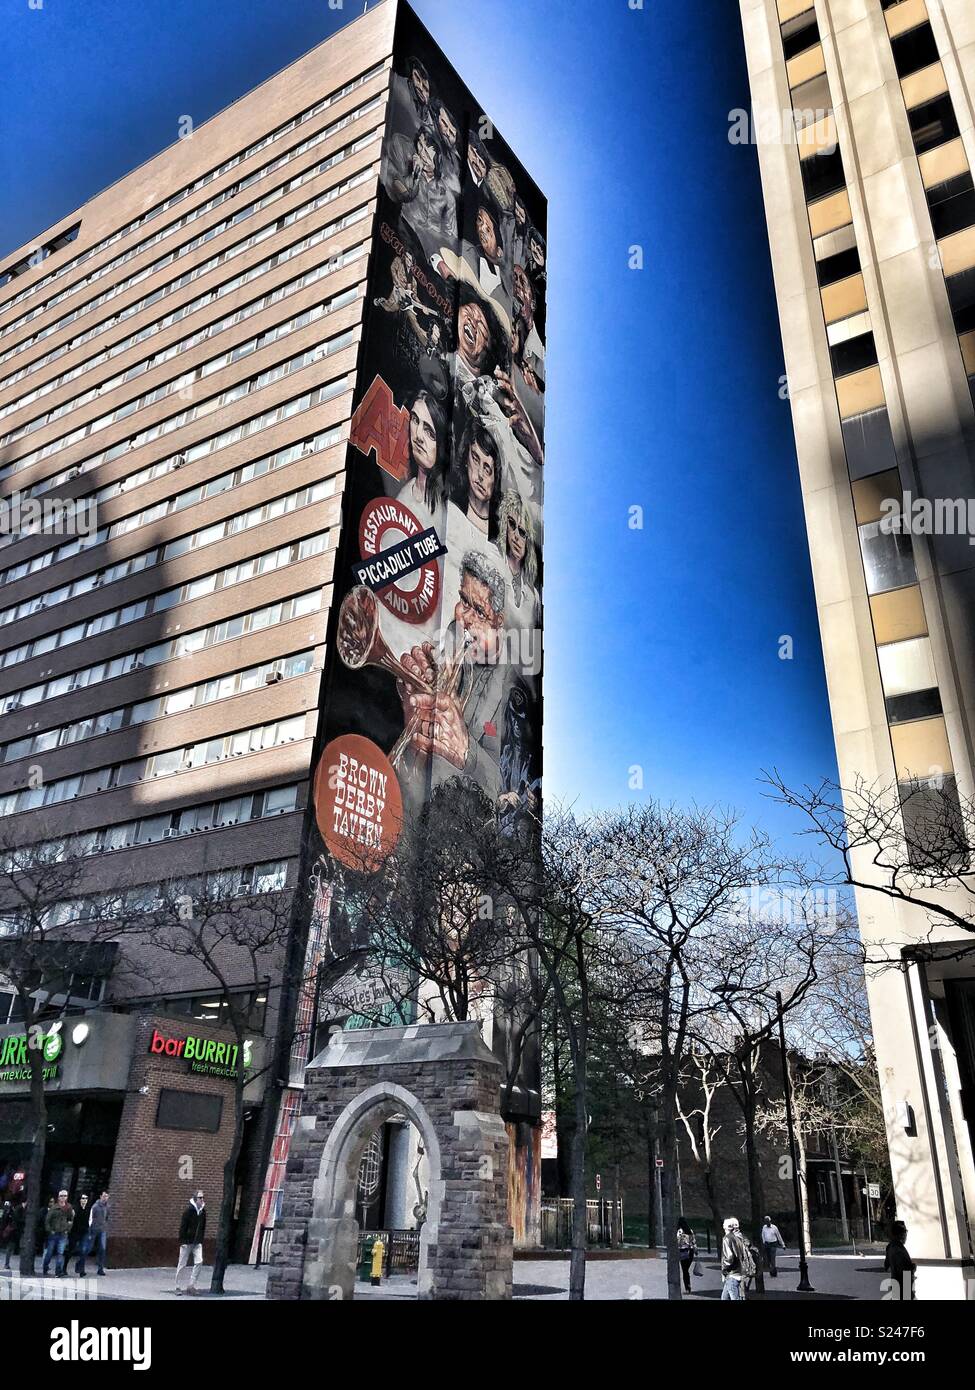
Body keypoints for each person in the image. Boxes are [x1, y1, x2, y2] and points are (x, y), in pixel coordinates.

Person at [175, 1189, 206, 1296]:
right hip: (187, 1242)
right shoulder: (188, 1211)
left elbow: (203, 1227)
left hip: (197, 1242)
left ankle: (191, 1285)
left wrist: (201, 1239)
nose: (202, 1200)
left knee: (199, 1261)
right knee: (182, 1264)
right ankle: (177, 1286)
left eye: (203, 1198)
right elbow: (183, 1227)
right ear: (195, 1199)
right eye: (200, 1198)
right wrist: (182, 1241)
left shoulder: (202, 1212)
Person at [720, 1216, 754, 1301]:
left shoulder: (727, 1238)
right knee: (724, 1298)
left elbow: (730, 1257)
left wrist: (724, 1268)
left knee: (734, 1297)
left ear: (725, 1227)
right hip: (739, 1272)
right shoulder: (738, 1238)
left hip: (732, 1274)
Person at [42, 1189, 74, 1277]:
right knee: (49, 1252)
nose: (63, 1198)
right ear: (58, 1197)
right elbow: (47, 1220)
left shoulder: (69, 1207)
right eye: (61, 1196)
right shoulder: (54, 1208)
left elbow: (70, 1219)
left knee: (60, 1253)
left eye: (65, 1196)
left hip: (63, 1233)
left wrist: (68, 1229)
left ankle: (58, 1271)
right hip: (54, 1233)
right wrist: (50, 1230)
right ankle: (45, 1267)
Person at [884, 1220, 916, 1300]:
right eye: (905, 1232)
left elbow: (886, 1266)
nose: (906, 1235)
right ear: (901, 1234)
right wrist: (912, 1268)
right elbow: (905, 1273)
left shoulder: (890, 1247)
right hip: (903, 1292)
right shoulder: (899, 1250)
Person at [85, 1190, 110, 1276]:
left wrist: (105, 1226)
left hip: (102, 1230)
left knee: (102, 1249)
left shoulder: (107, 1207)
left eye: (106, 1196)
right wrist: (90, 1230)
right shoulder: (95, 1207)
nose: (105, 1198)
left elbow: (106, 1217)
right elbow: (90, 1219)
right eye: (104, 1196)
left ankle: (100, 1269)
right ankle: (81, 1265)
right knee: (89, 1248)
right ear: (100, 1196)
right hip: (94, 1230)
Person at [70, 1193, 90, 1274]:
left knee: (83, 1250)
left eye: (86, 1198)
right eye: (83, 1198)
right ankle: (64, 1267)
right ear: (79, 1199)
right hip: (75, 1232)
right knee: (71, 1250)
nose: (85, 1200)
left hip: (84, 1232)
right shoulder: (75, 1209)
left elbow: (88, 1220)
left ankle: (81, 1269)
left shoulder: (88, 1209)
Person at [677, 1219, 699, 1295]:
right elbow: (694, 1241)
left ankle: (687, 1287)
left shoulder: (679, 1231)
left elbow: (678, 1242)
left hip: (683, 1252)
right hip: (691, 1252)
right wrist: (696, 1250)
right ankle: (688, 1286)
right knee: (686, 1270)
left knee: (685, 1271)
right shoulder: (690, 1231)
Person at [1, 1198, 23, 1271]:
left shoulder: (6, 1212)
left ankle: (6, 1264)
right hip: (9, 1232)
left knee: (9, 1248)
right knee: (9, 1249)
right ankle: (6, 1264)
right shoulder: (11, 1212)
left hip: (7, 1232)